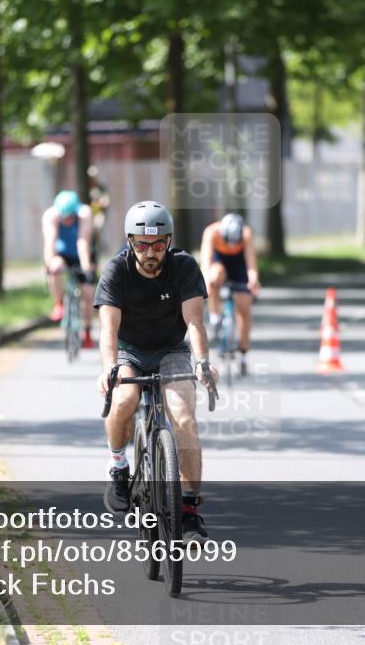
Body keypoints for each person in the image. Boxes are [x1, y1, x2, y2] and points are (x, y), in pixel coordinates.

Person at [94, 201, 218, 543]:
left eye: (159, 244)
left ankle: (190, 510)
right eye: (142, 244)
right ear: (130, 242)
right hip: (129, 350)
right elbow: (108, 329)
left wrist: (203, 362)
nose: (151, 252)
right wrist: (109, 369)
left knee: (183, 417)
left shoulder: (184, 267)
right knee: (124, 399)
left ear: (170, 241)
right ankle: (119, 466)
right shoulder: (116, 271)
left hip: (171, 351)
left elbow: (194, 321)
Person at [200, 213, 261, 374]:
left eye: (236, 243)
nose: (232, 246)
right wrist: (206, 284)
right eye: (229, 243)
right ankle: (215, 317)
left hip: (239, 265)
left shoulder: (246, 234)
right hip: (219, 262)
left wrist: (253, 280)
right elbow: (205, 264)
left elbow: (251, 265)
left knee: (244, 309)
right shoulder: (211, 232)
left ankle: (243, 353)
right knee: (214, 277)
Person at [42, 190, 95, 347]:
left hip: (82, 254)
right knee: (55, 267)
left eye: (70, 218)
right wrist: (49, 265)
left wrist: (86, 267)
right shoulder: (50, 215)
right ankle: (59, 303)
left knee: (88, 292)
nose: (67, 221)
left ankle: (87, 331)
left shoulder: (85, 213)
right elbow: (50, 242)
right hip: (62, 254)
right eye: (64, 218)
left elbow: (82, 241)